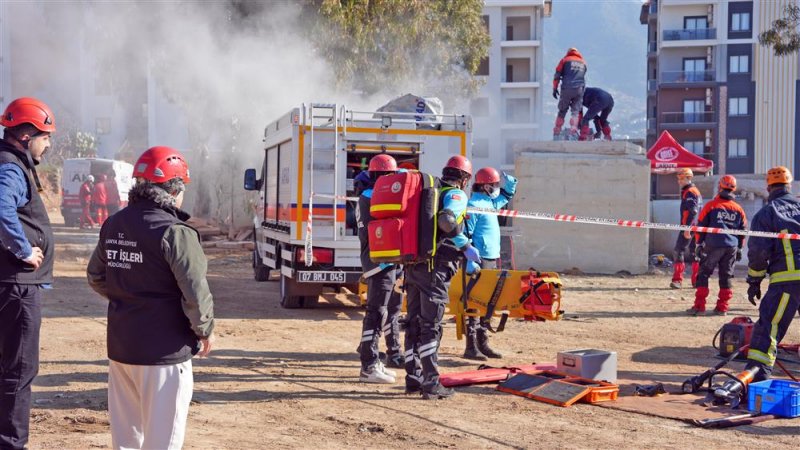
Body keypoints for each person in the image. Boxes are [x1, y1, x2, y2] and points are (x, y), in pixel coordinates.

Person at [86, 146, 215, 449]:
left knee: (127, 442)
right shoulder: (176, 233)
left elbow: (96, 276)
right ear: (173, 190)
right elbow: (195, 292)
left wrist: (129, 297)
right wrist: (204, 329)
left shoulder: (114, 224)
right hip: (164, 355)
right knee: (162, 443)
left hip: (122, 349)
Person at [0, 97, 56, 449]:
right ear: (25, 136)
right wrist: (23, 249)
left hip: (9, 284)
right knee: (18, 372)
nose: (47, 144)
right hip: (17, 288)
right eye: (45, 136)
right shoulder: (10, 168)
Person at [404, 155, 481, 400]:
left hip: (414, 266)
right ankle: (432, 383)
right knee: (431, 325)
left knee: (414, 322)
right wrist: (465, 244)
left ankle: (413, 378)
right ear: (465, 178)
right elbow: (447, 220)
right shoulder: (456, 195)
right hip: (435, 269)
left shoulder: (429, 193)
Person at [744, 166, 800, 382]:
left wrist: (754, 280)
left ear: (768, 187)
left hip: (787, 281)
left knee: (769, 327)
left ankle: (758, 376)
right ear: (790, 185)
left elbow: (758, 251)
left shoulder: (766, 214)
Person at [355, 155, 403, 384]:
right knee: (375, 313)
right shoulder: (372, 197)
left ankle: (374, 362)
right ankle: (368, 365)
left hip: (383, 261)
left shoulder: (369, 195)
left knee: (382, 311)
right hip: (379, 262)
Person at [462, 167, 517, 360]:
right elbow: (467, 234)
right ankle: (471, 347)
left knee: (488, 303)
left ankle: (483, 343)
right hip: (479, 260)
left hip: (491, 259)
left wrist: (509, 181)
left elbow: (507, 195)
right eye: (494, 185)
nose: (496, 188)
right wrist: (469, 260)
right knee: (475, 302)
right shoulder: (474, 204)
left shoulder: (489, 203)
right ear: (486, 186)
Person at [689, 175, 746, 316]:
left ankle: (699, 307)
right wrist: (740, 248)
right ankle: (722, 308)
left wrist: (698, 244)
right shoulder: (739, 209)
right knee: (726, 277)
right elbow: (743, 231)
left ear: (720, 187)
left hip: (713, 245)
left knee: (703, 274)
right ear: (734, 189)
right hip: (731, 247)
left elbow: (700, 226)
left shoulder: (711, 206)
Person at [671, 168, 702, 289]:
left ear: (689, 178)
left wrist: (687, 228)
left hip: (689, 226)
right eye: (678, 178)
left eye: (681, 178)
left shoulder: (690, 192)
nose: (679, 181)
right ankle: (696, 281)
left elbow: (693, 211)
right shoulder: (694, 191)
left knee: (679, 251)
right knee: (695, 253)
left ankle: (677, 280)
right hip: (696, 227)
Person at [552, 47, 587, 141]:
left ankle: (557, 133)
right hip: (579, 89)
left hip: (567, 88)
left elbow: (557, 75)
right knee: (575, 112)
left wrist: (555, 88)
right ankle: (573, 132)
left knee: (562, 110)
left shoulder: (565, 60)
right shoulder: (583, 62)